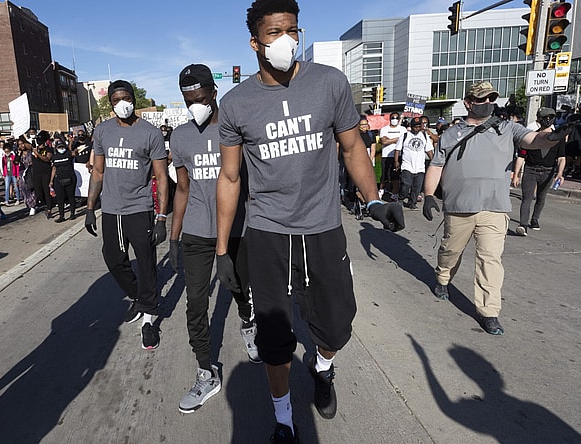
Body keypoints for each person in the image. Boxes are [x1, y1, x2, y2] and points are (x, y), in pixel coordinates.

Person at [215, 2, 405, 442]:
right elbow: (229, 177)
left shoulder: (329, 83)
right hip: (267, 230)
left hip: (322, 226)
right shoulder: (236, 102)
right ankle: (283, 418)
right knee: (275, 335)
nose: (285, 40)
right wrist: (224, 248)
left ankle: (322, 367)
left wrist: (374, 201)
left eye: (292, 30)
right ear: (255, 42)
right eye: (274, 32)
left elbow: (353, 147)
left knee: (337, 322)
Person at [422, 81, 574, 336]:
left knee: (490, 259)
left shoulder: (507, 128)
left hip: (495, 207)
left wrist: (553, 137)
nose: (487, 104)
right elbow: (436, 165)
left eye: (491, 99)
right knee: (450, 251)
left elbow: (535, 139)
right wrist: (428, 195)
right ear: (468, 102)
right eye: (481, 100)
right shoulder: (451, 134)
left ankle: (488, 311)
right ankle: (443, 278)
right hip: (459, 207)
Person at [167, 64, 260, 414]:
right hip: (195, 232)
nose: (196, 106)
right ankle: (206, 372)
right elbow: (183, 189)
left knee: (239, 286)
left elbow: (249, 184)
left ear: (213, 93)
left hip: (237, 230)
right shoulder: (179, 137)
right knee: (195, 304)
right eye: (189, 100)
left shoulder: (234, 128)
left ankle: (247, 322)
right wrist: (173, 237)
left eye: (201, 98)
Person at [85, 79, 169, 350]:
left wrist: (161, 217)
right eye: (115, 100)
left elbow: (161, 176)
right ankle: (138, 295)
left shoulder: (150, 133)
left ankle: (149, 318)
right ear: (110, 104)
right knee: (113, 258)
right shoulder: (102, 131)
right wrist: (89, 208)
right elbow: (97, 171)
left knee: (145, 262)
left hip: (140, 208)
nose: (121, 104)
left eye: (125, 98)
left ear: (133, 100)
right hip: (111, 209)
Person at [512, 107, 566, 235]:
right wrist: (516, 174)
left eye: (549, 118)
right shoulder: (531, 137)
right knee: (527, 197)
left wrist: (559, 174)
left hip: (548, 171)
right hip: (531, 170)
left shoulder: (558, 138)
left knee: (541, 197)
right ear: (538, 120)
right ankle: (523, 225)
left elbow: (561, 158)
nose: (547, 120)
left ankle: (535, 220)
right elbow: (521, 156)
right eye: (544, 118)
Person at [395, 117, 434, 209]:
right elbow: (397, 149)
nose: (417, 128)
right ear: (411, 126)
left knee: (417, 187)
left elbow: (429, 150)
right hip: (407, 165)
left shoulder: (424, 136)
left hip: (420, 167)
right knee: (406, 184)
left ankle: (412, 203)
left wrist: (433, 162)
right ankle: (401, 197)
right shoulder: (405, 136)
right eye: (415, 126)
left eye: (418, 126)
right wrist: (396, 161)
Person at [379, 111, 406, 200]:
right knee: (384, 175)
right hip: (386, 155)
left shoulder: (403, 129)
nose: (394, 120)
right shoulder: (384, 129)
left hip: (398, 155)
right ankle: (381, 190)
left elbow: (403, 142)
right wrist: (397, 139)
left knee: (396, 176)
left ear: (399, 119)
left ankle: (394, 193)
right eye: (392, 118)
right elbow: (383, 141)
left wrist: (389, 139)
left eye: (396, 118)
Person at [49, 139, 77, 222]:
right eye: (59, 147)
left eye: (62, 147)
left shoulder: (69, 154)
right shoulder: (54, 157)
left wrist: (71, 142)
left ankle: (72, 213)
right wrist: (51, 181)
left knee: (71, 196)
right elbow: (54, 168)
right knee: (60, 198)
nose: (61, 148)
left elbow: (74, 153)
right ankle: (62, 216)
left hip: (70, 178)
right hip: (59, 180)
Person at [0, 141, 21, 206]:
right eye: (5, 152)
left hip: (14, 174)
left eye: (7, 151)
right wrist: (3, 174)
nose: (7, 153)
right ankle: (7, 200)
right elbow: (3, 166)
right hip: (7, 174)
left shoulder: (13, 157)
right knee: (7, 187)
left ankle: (18, 199)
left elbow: (17, 166)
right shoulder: (4, 158)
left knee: (16, 187)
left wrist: (18, 175)